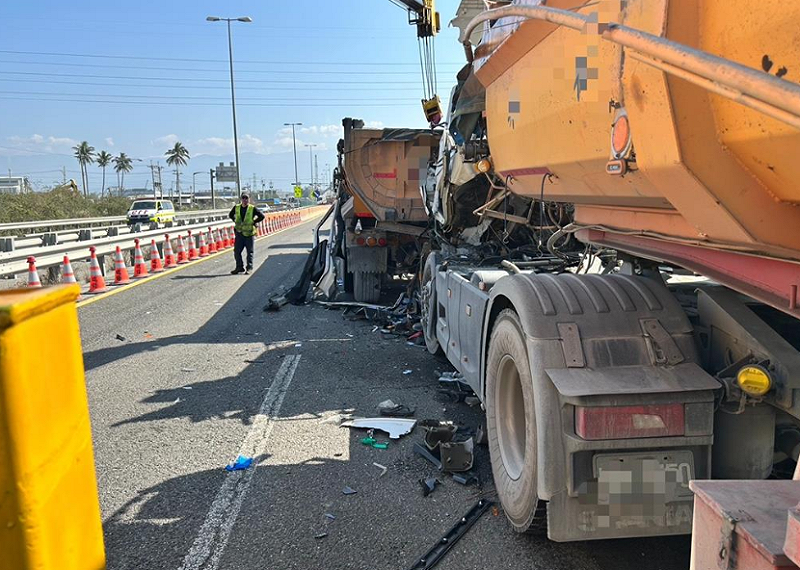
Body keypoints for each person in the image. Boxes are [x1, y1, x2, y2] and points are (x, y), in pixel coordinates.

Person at [228, 193, 265, 274]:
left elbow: (262, 216)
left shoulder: (252, 208)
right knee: (237, 251)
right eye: (243, 198)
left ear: (249, 199)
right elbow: (230, 215)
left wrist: (254, 221)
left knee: (249, 252)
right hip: (239, 233)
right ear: (241, 199)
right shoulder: (237, 207)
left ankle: (249, 268)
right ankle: (239, 267)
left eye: (246, 198)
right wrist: (235, 220)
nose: (245, 200)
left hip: (249, 233)